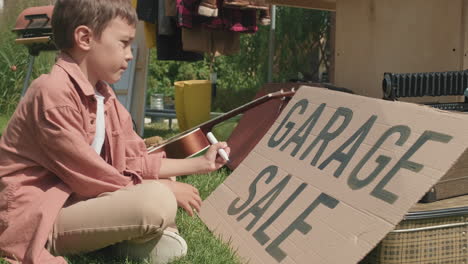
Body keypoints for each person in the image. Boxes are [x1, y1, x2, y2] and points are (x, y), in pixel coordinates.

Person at [0, 0, 230, 263]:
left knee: (164, 190)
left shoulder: (104, 97)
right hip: (41, 216)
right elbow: (89, 176)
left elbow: (134, 160)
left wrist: (200, 164)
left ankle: (113, 237)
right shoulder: (52, 93)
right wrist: (158, 188)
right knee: (157, 200)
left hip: (78, 202)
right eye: (123, 43)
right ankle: (118, 237)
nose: (130, 54)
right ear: (85, 38)